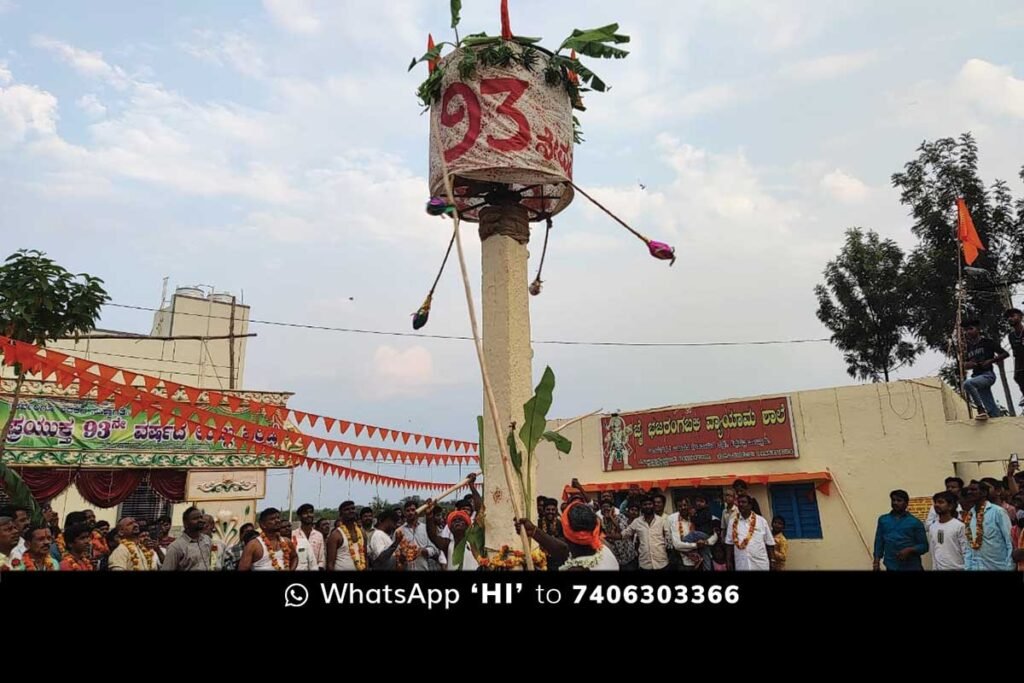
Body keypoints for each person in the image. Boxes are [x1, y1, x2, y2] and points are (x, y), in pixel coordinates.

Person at [516, 501, 618, 570]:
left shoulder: (576, 569)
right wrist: (534, 531)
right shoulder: (605, 551)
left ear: (565, 532)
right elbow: (563, 549)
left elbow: (564, 549)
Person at [961, 319, 1009, 420]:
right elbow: (965, 364)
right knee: (990, 407)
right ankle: (996, 421)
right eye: (966, 330)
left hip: (988, 375)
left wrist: (990, 361)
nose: (968, 332)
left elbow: (1005, 353)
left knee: (967, 384)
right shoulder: (969, 348)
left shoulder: (987, 342)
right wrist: (970, 364)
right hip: (977, 376)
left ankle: (980, 409)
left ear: (978, 330)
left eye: (971, 329)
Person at [962, 481, 1014, 571]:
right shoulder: (970, 515)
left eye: (973, 489)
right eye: (968, 490)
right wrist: (968, 566)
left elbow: (1009, 541)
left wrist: (1009, 566)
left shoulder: (998, 512)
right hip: (975, 567)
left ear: (984, 493)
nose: (969, 492)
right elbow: (969, 546)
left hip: (998, 566)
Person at [872, 490, 928, 571]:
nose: (895, 503)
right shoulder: (883, 520)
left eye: (899, 500)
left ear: (906, 503)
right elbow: (879, 541)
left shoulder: (915, 522)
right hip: (891, 565)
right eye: (893, 500)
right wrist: (876, 562)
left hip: (911, 566)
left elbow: (924, 546)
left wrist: (909, 550)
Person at [725, 494, 775, 571]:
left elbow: (769, 543)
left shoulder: (761, 521)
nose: (741, 504)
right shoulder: (732, 522)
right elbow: (729, 543)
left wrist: (772, 561)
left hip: (760, 563)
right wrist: (728, 561)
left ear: (750, 505)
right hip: (742, 563)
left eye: (743, 502)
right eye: (739, 502)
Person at [426, 505, 481, 571]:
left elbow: (479, 507)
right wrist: (429, 516)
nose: (457, 521)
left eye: (460, 520)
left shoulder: (475, 543)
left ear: (467, 526)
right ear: (450, 528)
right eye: (454, 520)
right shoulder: (447, 544)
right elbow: (433, 536)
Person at [666, 498, 714, 570]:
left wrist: (706, 542)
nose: (683, 508)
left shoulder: (696, 517)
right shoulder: (674, 522)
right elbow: (677, 545)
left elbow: (714, 534)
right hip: (684, 564)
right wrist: (696, 545)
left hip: (701, 562)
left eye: (685, 505)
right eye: (680, 506)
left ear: (689, 506)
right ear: (677, 508)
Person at [623, 495, 669, 570]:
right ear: (641, 507)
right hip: (645, 564)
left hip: (662, 563)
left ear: (653, 506)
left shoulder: (662, 521)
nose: (647, 506)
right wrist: (605, 536)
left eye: (650, 504)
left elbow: (669, 539)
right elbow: (623, 535)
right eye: (645, 504)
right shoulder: (637, 522)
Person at [161, 507, 213, 571]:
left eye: (201, 517)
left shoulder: (207, 540)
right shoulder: (175, 547)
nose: (200, 520)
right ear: (186, 523)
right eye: (195, 518)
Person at [928, 491, 967, 571]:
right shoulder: (933, 527)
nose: (936, 505)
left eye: (941, 502)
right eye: (935, 502)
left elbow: (966, 551)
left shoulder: (959, 526)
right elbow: (933, 551)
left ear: (950, 506)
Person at [396, 500, 440, 571]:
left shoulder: (426, 528)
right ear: (404, 513)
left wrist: (425, 551)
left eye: (413, 510)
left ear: (417, 511)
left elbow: (435, 548)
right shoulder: (399, 531)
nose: (410, 512)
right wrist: (401, 555)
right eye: (408, 510)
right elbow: (395, 551)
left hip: (424, 567)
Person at [326, 501, 367, 571]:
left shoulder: (362, 532)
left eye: (353, 508)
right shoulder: (336, 535)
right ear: (340, 515)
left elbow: (365, 556)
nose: (351, 511)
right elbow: (330, 564)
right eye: (347, 509)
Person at [599, 499, 637, 570]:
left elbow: (621, 532)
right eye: (603, 507)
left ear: (612, 508)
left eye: (607, 507)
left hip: (628, 556)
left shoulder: (620, 517)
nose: (605, 509)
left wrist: (611, 516)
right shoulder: (603, 522)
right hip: (617, 558)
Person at [293, 503, 325, 571]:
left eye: (311, 512)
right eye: (305, 513)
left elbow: (321, 560)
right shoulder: (293, 535)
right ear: (299, 516)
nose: (309, 515)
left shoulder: (319, 535)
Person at [1003, 307, 1024, 406]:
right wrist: (1017, 370)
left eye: (1012, 316)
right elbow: (1015, 352)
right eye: (1008, 317)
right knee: (1018, 377)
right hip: (1020, 361)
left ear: (1020, 317)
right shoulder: (1011, 336)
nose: (1010, 319)